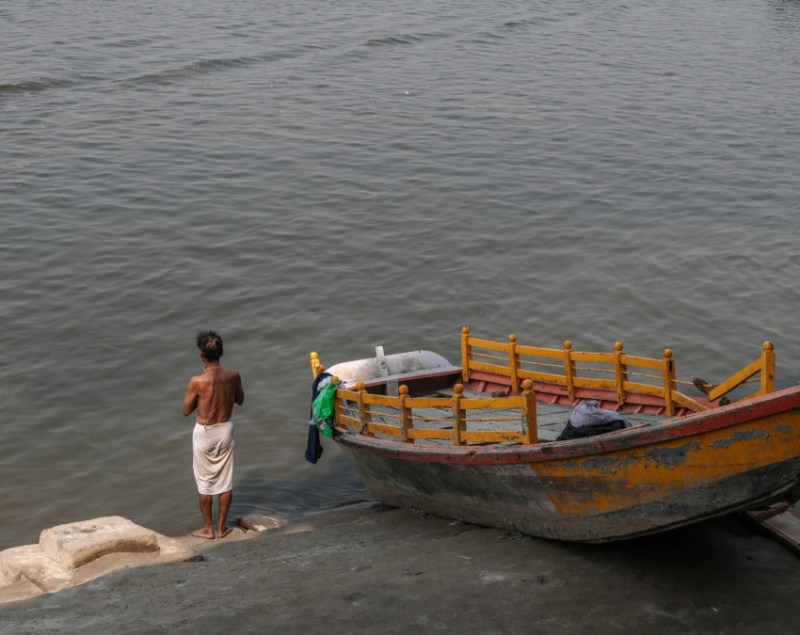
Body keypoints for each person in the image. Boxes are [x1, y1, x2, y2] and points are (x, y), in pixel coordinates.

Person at [182, 330, 245, 539]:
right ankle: (221, 528)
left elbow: (185, 410)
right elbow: (240, 400)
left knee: (204, 482)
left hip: (205, 432)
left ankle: (208, 529)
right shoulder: (233, 375)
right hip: (225, 429)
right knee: (225, 481)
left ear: (201, 354)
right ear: (222, 352)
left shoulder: (197, 381)